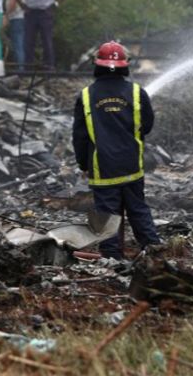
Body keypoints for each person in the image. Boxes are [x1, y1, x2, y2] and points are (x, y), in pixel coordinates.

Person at [72, 41, 160, 260]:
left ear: (97, 65)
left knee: (107, 214)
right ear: (124, 66)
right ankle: (154, 250)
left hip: (103, 167)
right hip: (132, 166)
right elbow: (147, 126)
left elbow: (80, 137)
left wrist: (84, 164)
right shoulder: (138, 93)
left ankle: (112, 258)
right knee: (138, 209)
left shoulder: (86, 96)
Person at [11, 0, 69, 71]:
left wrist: (56, 4)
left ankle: (49, 67)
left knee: (47, 41)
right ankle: (28, 68)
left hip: (45, 12)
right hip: (30, 12)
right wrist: (22, 5)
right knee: (28, 42)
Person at [4, 0, 27, 70]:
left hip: (16, 15)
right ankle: (22, 68)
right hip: (26, 15)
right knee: (22, 43)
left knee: (17, 43)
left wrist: (7, 15)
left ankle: (20, 70)